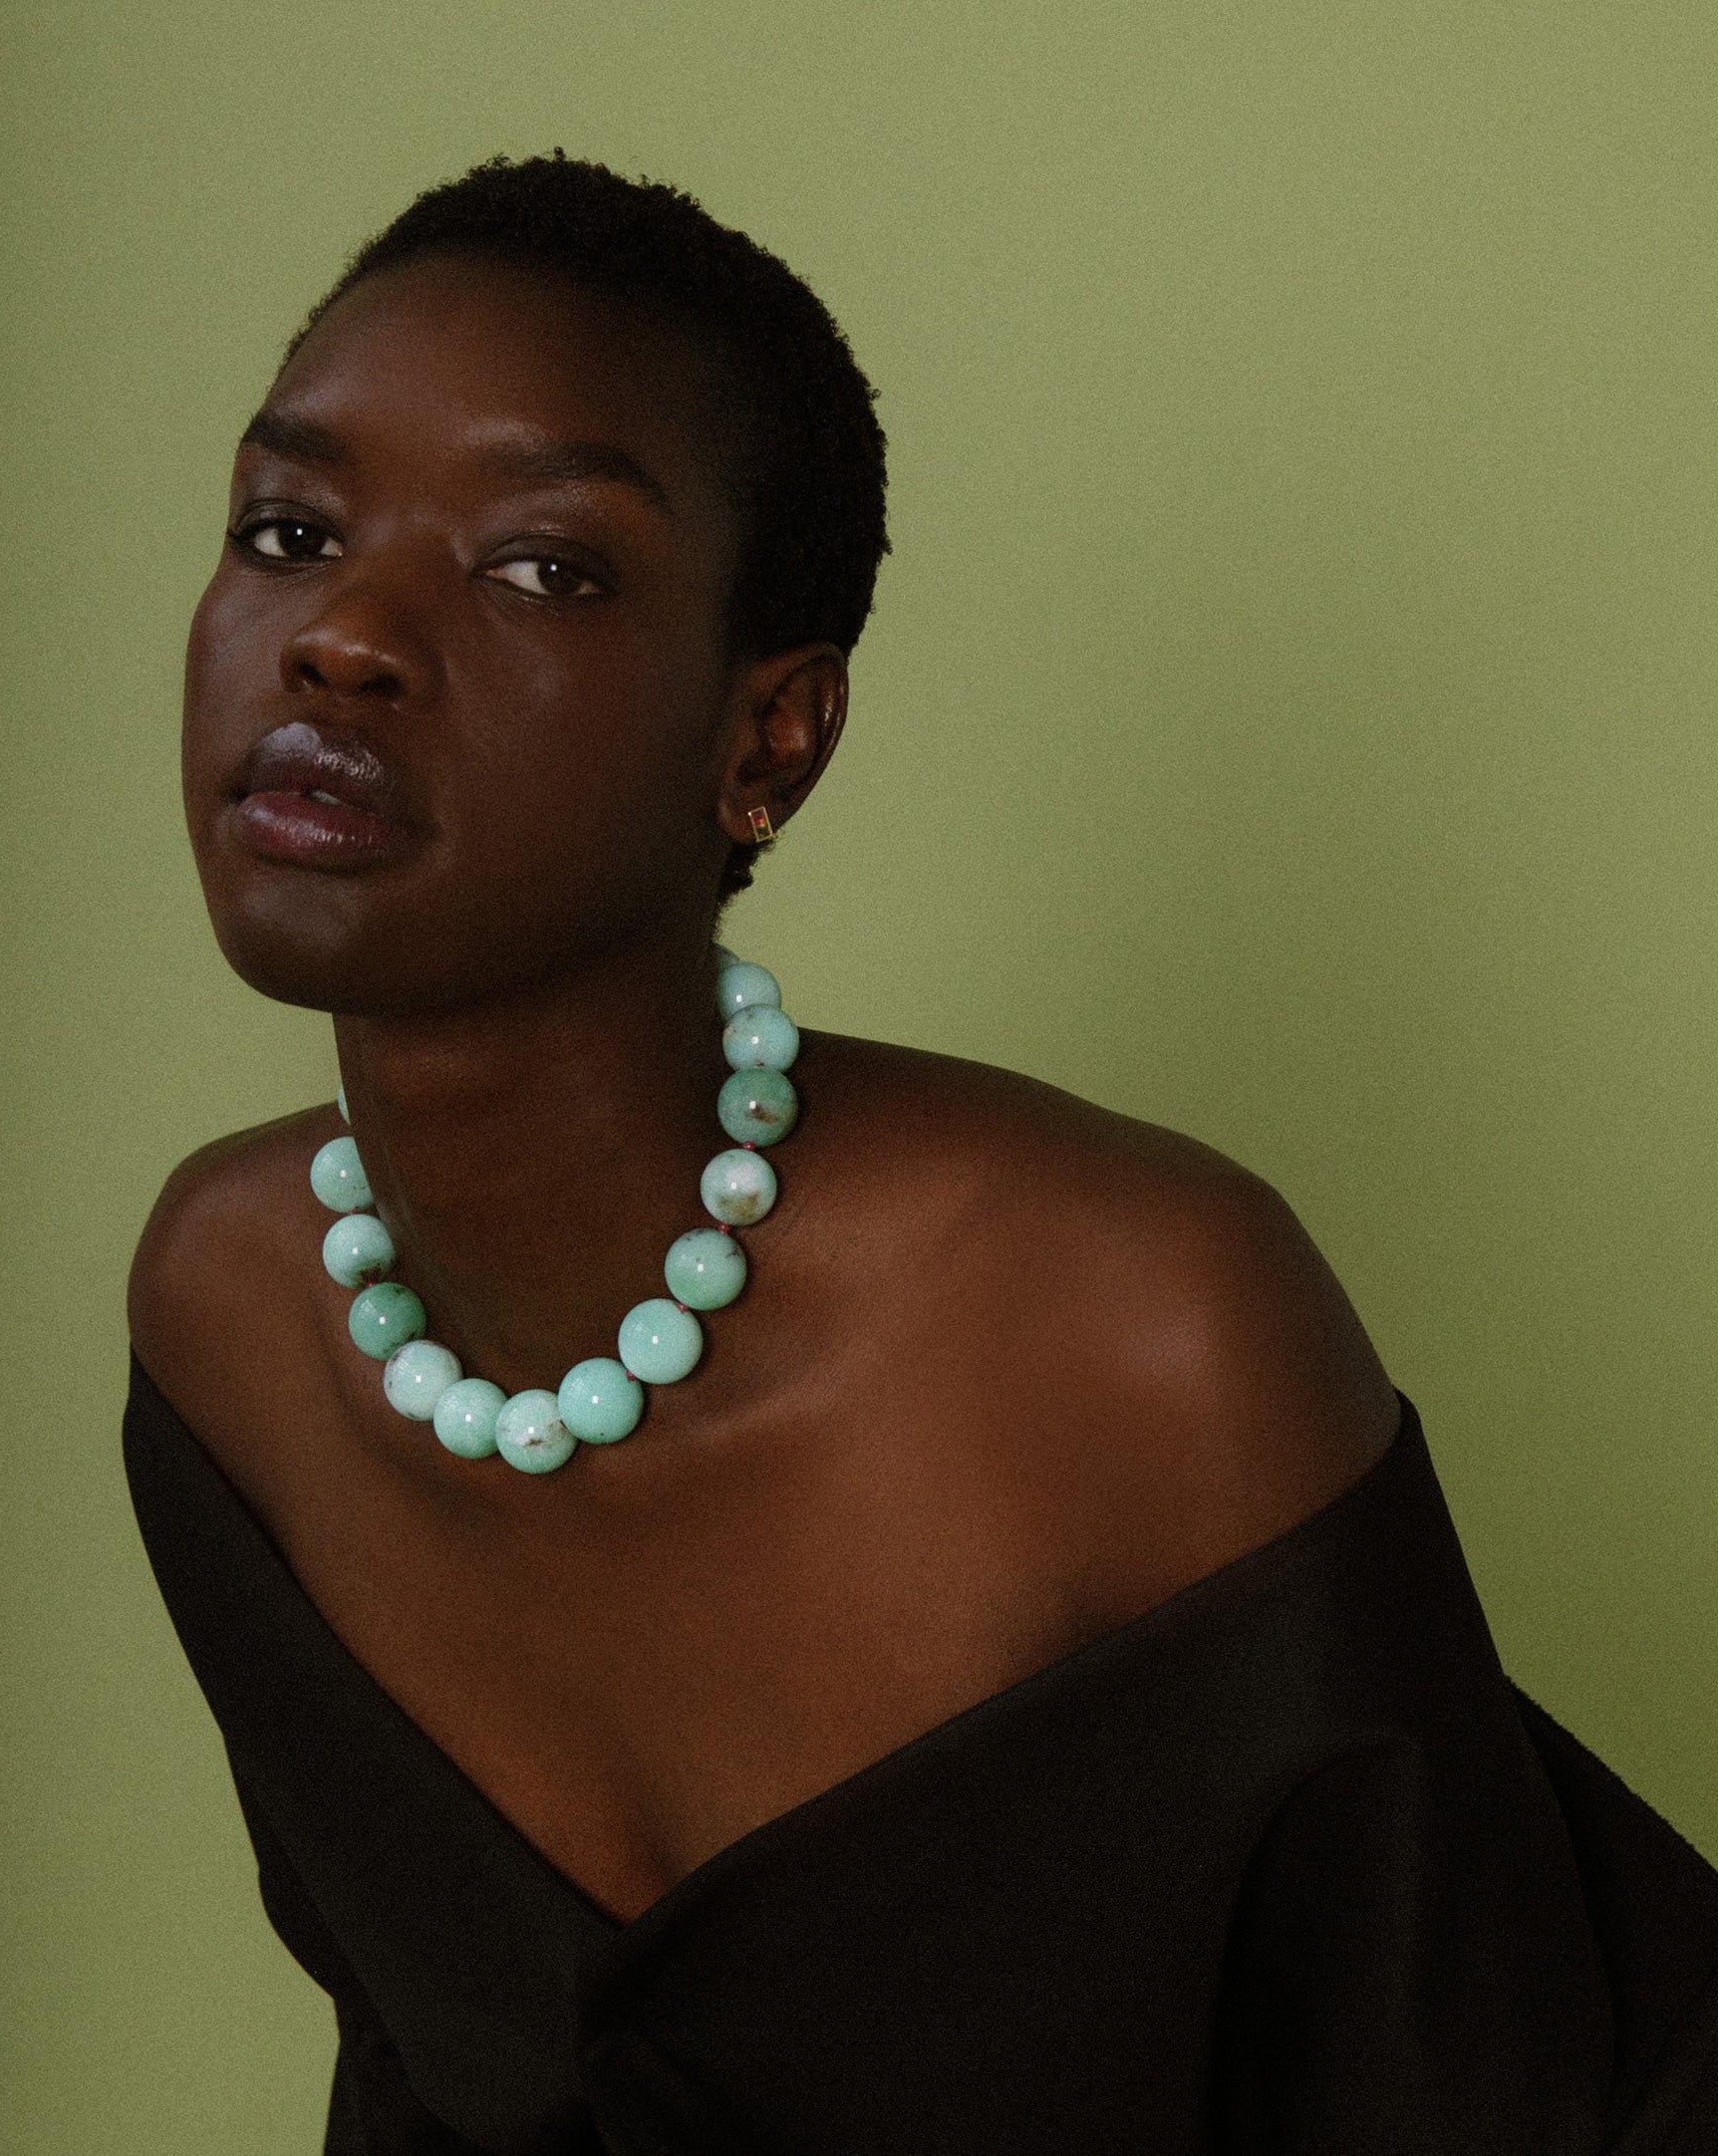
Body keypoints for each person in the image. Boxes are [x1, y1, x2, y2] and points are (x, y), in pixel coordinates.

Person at [123, 153, 1718, 2153]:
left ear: (767, 743)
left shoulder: (1139, 1327)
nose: (339, 635)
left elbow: (1478, 2087)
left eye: (541, 565)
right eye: (287, 526)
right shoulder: (231, 1319)